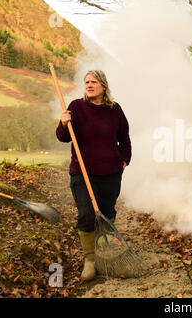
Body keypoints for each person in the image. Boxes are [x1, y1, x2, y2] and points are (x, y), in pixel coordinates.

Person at [56, 70, 131, 281]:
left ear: (104, 86)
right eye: (87, 82)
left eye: (94, 82)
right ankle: (90, 260)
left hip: (110, 172)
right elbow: (63, 138)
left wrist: (125, 160)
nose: (89, 85)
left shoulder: (115, 110)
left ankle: (105, 251)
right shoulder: (76, 107)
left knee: (106, 213)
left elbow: (124, 137)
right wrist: (63, 124)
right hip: (82, 172)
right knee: (87, 214)